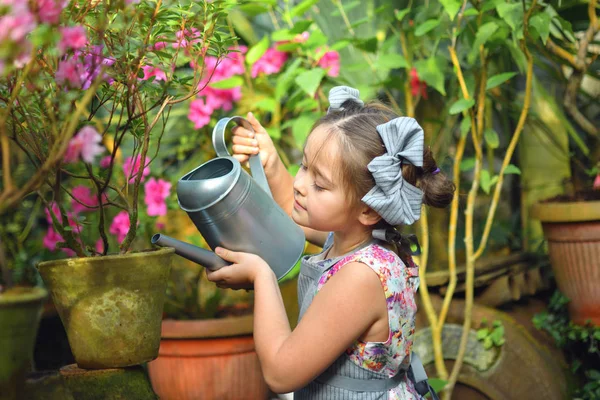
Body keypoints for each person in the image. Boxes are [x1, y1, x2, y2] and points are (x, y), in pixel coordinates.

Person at [206, 86, 455, 399]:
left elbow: (281, 373)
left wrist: (262, 276)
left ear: (367, 209)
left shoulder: (360, 278)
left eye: (319, 184)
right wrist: (269, 162)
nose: (299, 185)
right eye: (304, 165)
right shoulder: (361, 241)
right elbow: (293, 211)